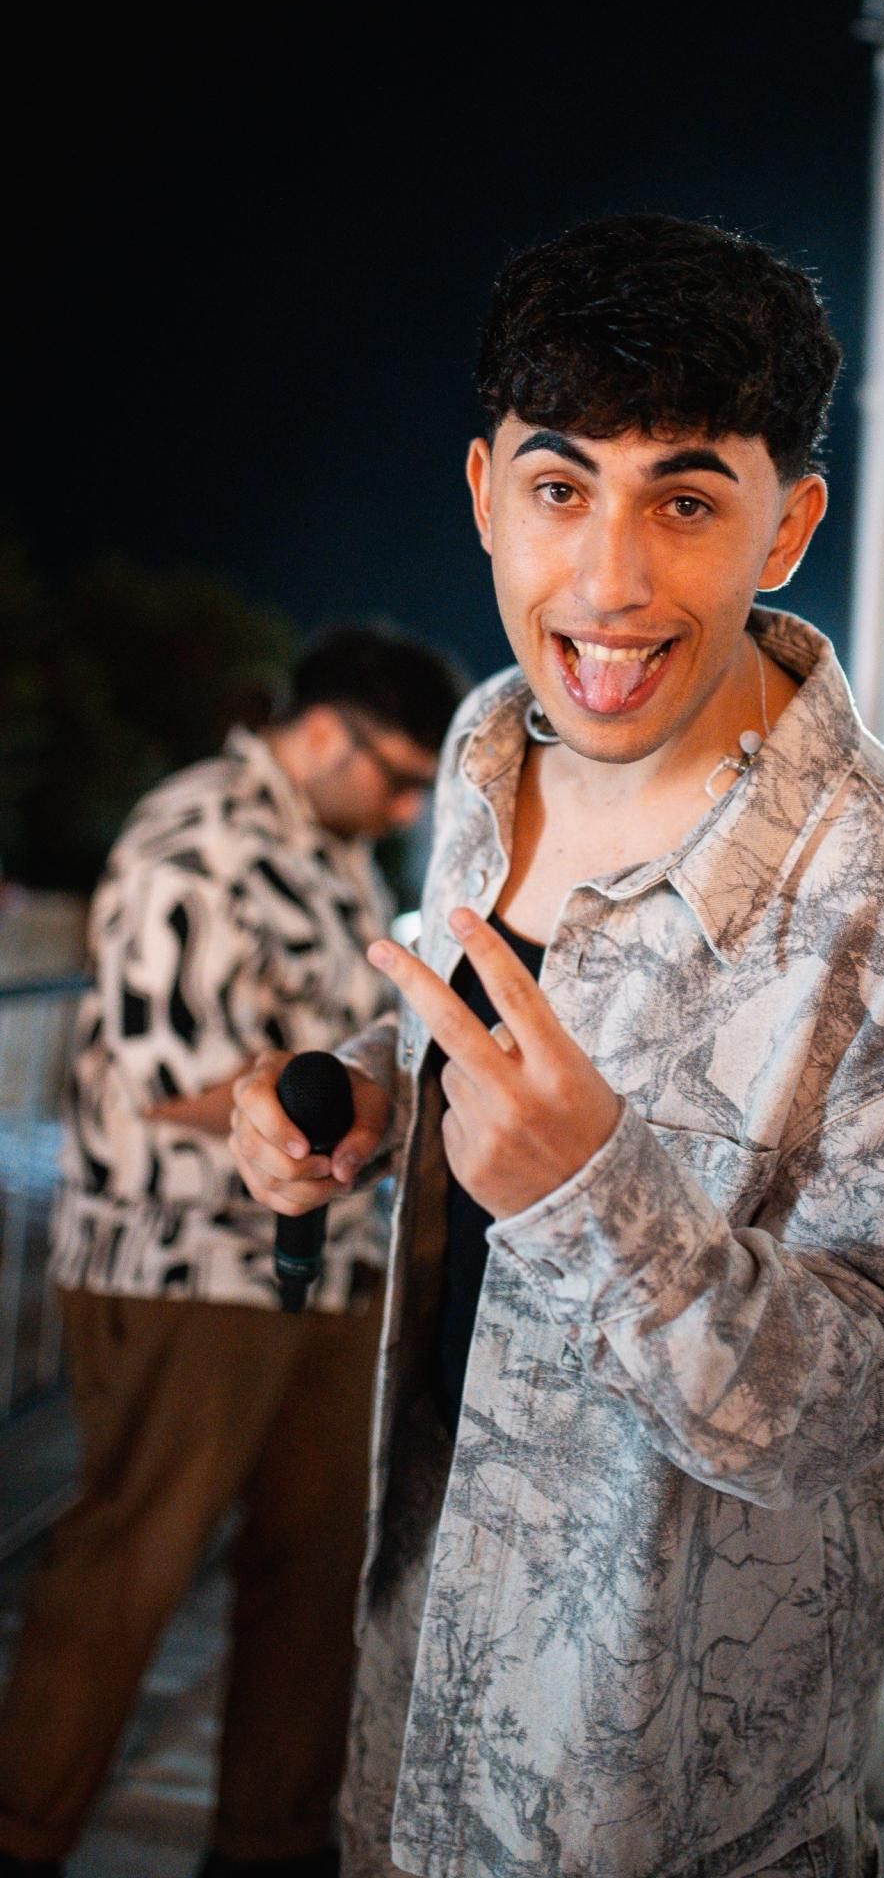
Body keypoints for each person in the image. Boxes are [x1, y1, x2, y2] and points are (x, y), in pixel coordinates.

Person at [231, 216, 884, 1878]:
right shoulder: (486, 743)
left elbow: (870, 1406)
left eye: (685, 500)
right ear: (484, 494)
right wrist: (370, 1090)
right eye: (561, 486)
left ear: (787, 526)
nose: (605, 581)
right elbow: (488, 1020)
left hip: (654, 1794)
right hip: (422, 1666)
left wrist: (593, 1196)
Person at [0, 625, 463, 1878]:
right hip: (188, 1268)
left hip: (331, 1263)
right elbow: (171, 1079)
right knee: (127, 1569)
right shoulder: (192, 834)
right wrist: (347, 1117)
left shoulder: (331, 847)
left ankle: (269, 1850)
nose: (409, 808)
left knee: (316, 1581)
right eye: (398, 777)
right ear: (321, 734)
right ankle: (25, 1837)